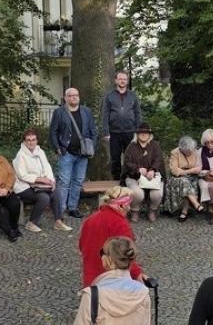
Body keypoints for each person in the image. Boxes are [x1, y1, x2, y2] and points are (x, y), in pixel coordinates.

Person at [78, 190, 144, 287]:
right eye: (128, 204)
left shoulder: (90, 219)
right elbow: (126, 255)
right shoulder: (120, 224)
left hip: (91, 280)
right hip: (112, 282)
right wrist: (137, 273)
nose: (129, 208)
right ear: (122, 206)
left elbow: (81, 245)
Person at [50, 87, 97, 221]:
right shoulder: (59, 112)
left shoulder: (86, 111)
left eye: (76, 95)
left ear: (79, 97)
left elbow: (93, 130)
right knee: (64, 182)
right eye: (70, 96)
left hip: (83, 154)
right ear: (66, 98)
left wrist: (92, 146)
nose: (73, 97)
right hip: (66, 152)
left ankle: (73, 207)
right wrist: (58, 148)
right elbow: (53, 131)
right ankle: (61, 209)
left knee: (78, 181)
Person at [11, 127, 58, 233]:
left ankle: (58, 221)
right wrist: (40, 179)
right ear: (24, 141)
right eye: (28, 140)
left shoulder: (40, 151)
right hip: (23, 187)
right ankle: (31, 223)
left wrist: (51, 181)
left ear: (37, 141)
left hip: (38, 185)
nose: (31, 142)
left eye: (33, 140)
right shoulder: (21, 155)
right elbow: (22, 175)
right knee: (44, 198)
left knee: (56, 191)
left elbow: (47, 167)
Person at [102, 71, 141, 183]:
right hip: (114, 133)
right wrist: (106, 132)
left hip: (130, 132)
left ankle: (130, 180)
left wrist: (138, 131)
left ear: (127, 81)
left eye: (124, 79)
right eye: (120, 79)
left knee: (131, 158)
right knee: (115, 159)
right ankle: (116, 181)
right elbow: (105, 115)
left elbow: (138, 114)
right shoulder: (109, 96)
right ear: (116, 80)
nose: (122, 81)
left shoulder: (133, 95)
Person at [121, 122, 165, 223]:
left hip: (152, 177)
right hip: (134, 176)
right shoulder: (131, 146)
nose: (144, 134)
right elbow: (127, 162)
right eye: (141, 132)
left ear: (150, 135)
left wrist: (153, 170)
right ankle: (135, 211)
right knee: (137, 193)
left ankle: (152, 210)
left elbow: (158, 159)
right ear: (137, 134)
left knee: (157, 194)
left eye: (146, 133)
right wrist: (138, 169)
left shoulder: (155, 145)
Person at [166, 136, 203, 220]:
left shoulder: (196, 152)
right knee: (184, 182)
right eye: (187, 151)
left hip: (192, 176)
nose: (190, 153)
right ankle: (196, 204)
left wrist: (192, 170)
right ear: (181, 149)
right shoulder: (175, 153)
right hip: (176, 178)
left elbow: (199, 167)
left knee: (189, 183)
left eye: (191, 150)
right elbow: (174, 171)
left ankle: (184, 211)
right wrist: (190, 170)